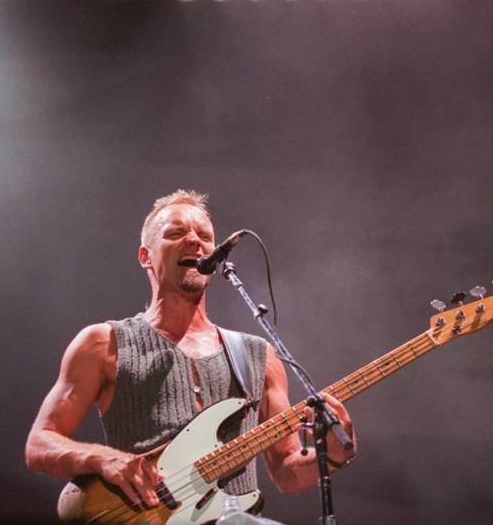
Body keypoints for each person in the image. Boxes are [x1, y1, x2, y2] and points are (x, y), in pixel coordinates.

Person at [25, 189, 356, 513]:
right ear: (146, 257)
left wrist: (333, 454)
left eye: (204, 235)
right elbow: (40, 443)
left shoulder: (258, 355)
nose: (194, 240)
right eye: (175, 233)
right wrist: (101, 458)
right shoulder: (103, 344)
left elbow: (287, 473)